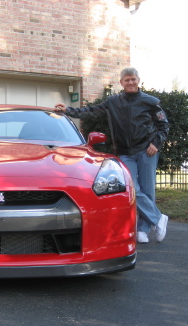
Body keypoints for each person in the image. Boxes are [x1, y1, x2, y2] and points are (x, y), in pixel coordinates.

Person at [54, 67, 169, 243]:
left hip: (147, 150)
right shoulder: (113, 102)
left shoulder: (151, 101)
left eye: (133, 79)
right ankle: (158, 218)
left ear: (138, 80)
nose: (130, 82)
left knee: (147, 190)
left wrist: (156, 143)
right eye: (126, 80)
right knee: (133, 189)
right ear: (121, 82)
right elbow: (90, 111)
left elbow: (163, 125)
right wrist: (68, 110)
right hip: (125, 153)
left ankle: (143, 230)